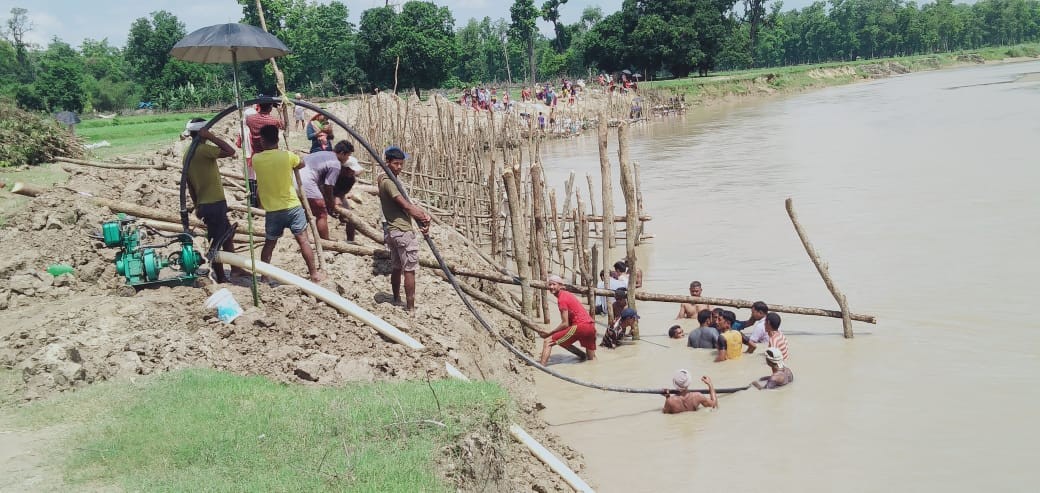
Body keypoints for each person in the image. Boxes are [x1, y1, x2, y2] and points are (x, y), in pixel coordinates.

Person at [252, 124, 324, 283]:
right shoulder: (288, 156)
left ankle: (264, 276)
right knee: (304, 240)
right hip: (292, 206)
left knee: (269, 244)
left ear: (262, 141)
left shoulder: (256, 159)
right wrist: (293, 156)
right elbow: (301, 164)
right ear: (278, 139)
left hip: (273, 210)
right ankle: (314, 274)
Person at [183, 118, 237, 283]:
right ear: (202, 132)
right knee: (217, 241)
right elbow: (230, 151)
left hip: (206, 203)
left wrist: (196, 204)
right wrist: (211, 137)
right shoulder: (202, 150)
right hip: (214, 203)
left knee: (226, 237)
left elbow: (190, 185)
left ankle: (236, 269)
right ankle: (220, 276)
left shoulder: (188, 153)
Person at [378, 146, 431, 312]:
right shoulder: (388, 182)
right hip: (401, 231)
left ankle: (396, 299)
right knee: (409, 269)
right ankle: (410, 307)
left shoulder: (384, 179)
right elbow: (406, 206)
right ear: (387, 162)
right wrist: (423, 216)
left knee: (397, 266)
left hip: (392, 231)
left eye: (401, 164)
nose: (399, 167)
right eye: (395, 164)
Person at [298, 140, 360, 240]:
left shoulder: (350, 179)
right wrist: (330, 203)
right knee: (320, 213)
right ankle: (325, 242)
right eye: (347, 156)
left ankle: (350, 240)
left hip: (299, 181)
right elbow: (326, 186)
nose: (351, 172)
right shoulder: (335, 165)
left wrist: (337, 200)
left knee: (349, 215)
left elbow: (341, 193)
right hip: (311, 185)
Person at [541, 274, 597, 364]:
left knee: (548, 341)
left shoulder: (561, 299)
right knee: (592, 359)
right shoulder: (568, 295)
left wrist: (549, 333)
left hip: (580, 326)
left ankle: (541, 367)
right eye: (550, 284)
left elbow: (565, 324)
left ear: (561, 285)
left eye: (554, 284)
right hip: (590, 327)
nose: (551, 287)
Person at [245, 101, 284, 207]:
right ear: (271, 107)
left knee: (261, 182)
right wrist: (280, 112)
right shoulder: (274, 121)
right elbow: (283, 125)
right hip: (271, 153)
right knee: (273, 181)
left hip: (257, 154)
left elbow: (247, 122)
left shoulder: (250, 119)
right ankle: (273, 203)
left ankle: (260, 206)